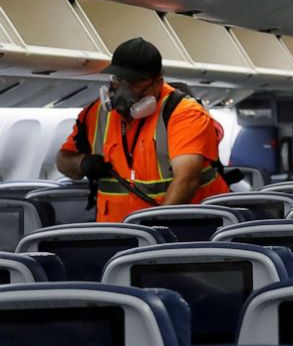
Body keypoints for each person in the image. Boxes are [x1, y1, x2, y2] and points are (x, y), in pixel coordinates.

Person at [57, 37, 229, 222]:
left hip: (185, 231)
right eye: (118, 79)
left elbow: (187, 180)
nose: (123, 89)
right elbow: (62, 161)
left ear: (157, 82)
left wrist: (154, 233)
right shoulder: (96, 113)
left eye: (133, 81)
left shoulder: (184, 113)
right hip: (118, 234)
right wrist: (82, 162)